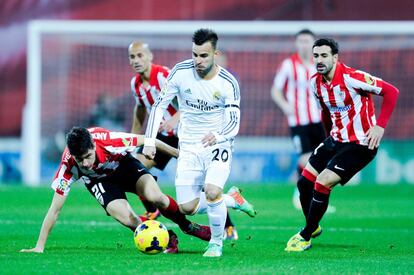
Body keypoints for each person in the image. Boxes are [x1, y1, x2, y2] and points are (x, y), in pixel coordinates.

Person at [142, 28, 256, 257]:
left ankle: (216, 243)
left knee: (212, 191)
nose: (198, 60)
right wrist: (149, 140)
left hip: (218, 145)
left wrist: (219, 135)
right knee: (188, 208)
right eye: (195, 54)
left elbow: (234, 122)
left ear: (216, 54)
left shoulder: (228, 83)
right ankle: (232, 199)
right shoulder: (180, 72)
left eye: (204, 55)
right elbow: (158, 106)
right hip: (189, 147)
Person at [285, 38, 399, 252]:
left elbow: (391, 92)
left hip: (361, 143)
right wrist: (328, 139)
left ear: (335, 57)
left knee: (322, 182)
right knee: (304, 183)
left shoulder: (352, 77)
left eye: (324, 55)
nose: (319, 60)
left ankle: (305, 235)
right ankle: (314, 225)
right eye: (316, 55)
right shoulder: (315, 83)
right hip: (335, 140)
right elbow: (326, 111)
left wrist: (380, 127)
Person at [20, 127, 211, 254]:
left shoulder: (110, 140)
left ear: (94, 145)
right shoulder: (67, 166)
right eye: (80, 160)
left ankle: (188, 226)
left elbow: (150, 140)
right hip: (100, 182)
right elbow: (55, 209)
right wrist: (40, 246)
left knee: (157, 197)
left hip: (124, 167)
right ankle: (167, 236)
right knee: (127, 218)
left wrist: (181, 156)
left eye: (88, 156)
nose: (85, 163)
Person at [128, 41, 239, 240]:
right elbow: (141, 111)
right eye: (132, 57)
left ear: (150, 56)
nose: (136, 60)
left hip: (186, 134)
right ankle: (153, 211)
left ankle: (228, 226)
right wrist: (133, 141)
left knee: (206, 184)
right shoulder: (135, 84)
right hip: (164, 138)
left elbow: (190, 100)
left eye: (140, 55)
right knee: (135, 167)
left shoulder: (164, 75)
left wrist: (174, 119)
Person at [271, 29, 332, 212]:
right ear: (296, 44)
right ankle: (299, 193)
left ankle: (316, 198)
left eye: (307, 41)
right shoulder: (289, 65)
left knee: (321, 159)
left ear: (313, 44)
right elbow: (275, 90)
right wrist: (285, 106)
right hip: (298, 121)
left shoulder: (319, 65)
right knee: (306, 158)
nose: (304, 44)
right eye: (301, 41)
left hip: (319, 119)